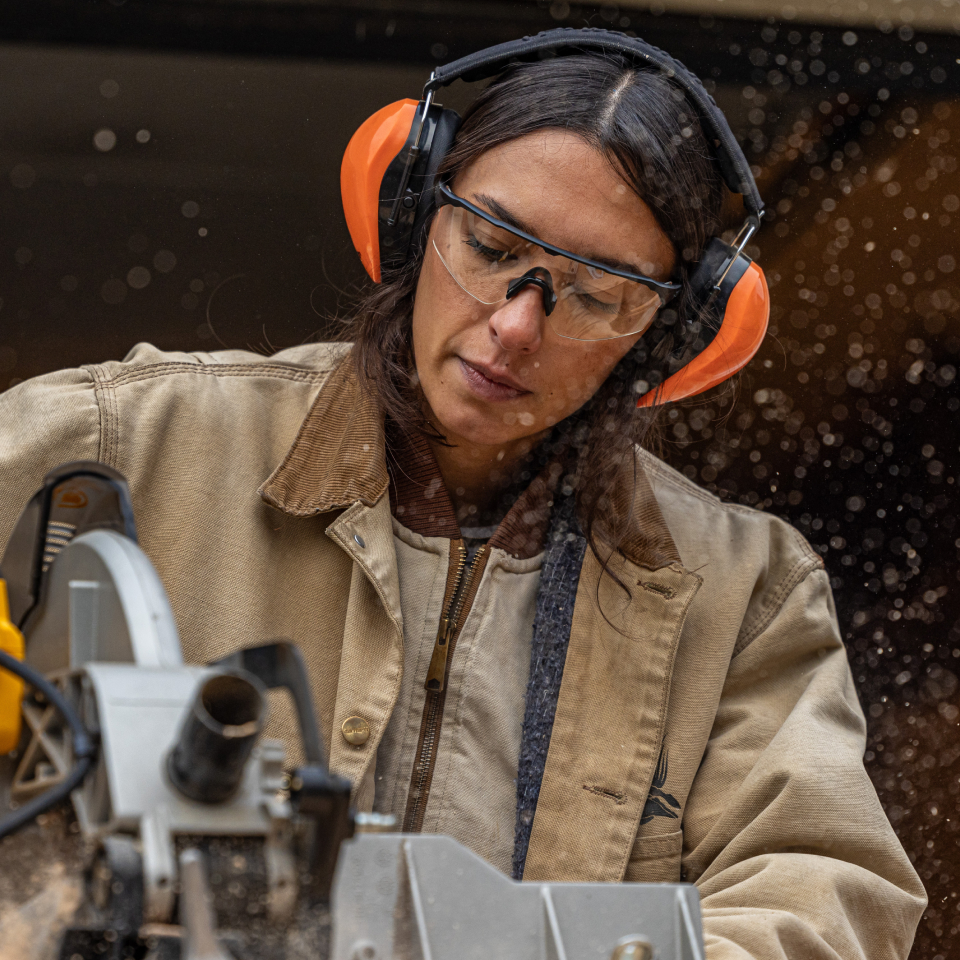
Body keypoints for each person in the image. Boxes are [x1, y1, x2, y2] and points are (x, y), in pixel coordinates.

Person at [0, 28, 924, 959]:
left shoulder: (742, 597)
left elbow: (825, 898)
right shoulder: (124, 442)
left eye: (597, 296)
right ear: (409, 214)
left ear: (667, 337)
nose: (518, 326)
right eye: (488, 245)